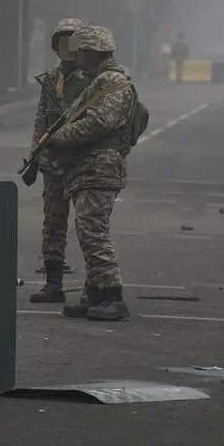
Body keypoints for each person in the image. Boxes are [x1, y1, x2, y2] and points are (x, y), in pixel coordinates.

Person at [49, 25, 136, 322]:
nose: (76, 57)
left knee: (94, 232)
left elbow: (98, 123)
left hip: (100, 166)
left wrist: (60, 137)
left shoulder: (112, 82)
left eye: (81, 52)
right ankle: (96, 293)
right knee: (87, 232)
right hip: (89, 166)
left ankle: (112, 295)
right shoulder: (99, 81)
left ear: (91, 53)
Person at [29, 18, 90, 304]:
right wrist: (34, 155)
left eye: (73, 40)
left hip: (82, 163)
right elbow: (41, 119)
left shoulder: (93, 78)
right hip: (53, 163)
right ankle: (53, 284)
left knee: (88, 226)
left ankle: (96, 284)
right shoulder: (51, 79)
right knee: (53, 225)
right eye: (62, 41)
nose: (68, 47)